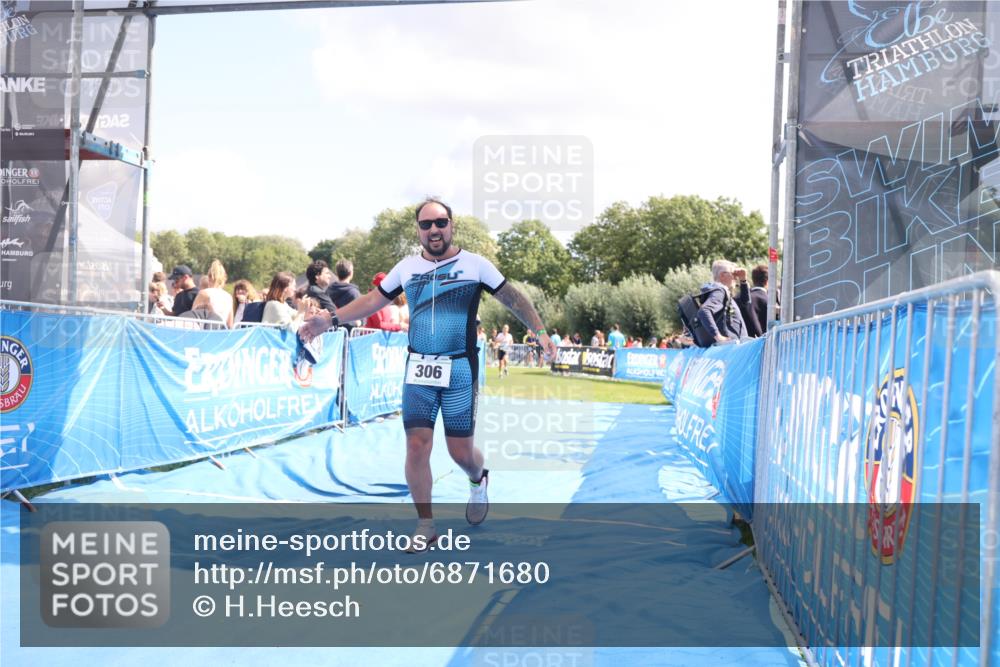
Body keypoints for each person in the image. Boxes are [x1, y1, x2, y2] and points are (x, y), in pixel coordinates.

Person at [299, 198, 555, 550]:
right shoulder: (407, 267)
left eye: (440, 222)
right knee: (417, 446)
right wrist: (329, 320)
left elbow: (513, 297)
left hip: (460, 369)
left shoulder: (475, 265)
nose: (434, 229)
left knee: (460, 453)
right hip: (419, 369)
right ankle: (426, 524)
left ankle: (478, 479)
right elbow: (374, 300)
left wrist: (540, 332)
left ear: (451, 225)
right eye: (426, 224)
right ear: (418, 230)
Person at [697, 259, 748, 344]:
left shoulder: (721, 292)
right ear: (722, 275)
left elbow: (744, 303)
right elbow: (704, 310)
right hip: (731, 347)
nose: (735, 278)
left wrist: (743, 281)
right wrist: (718, 336)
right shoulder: (720, 290)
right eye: (733, 274)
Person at [191, 259, 234, 328]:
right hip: (221, 332)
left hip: (205, 332)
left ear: (209, 277)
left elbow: (191, 316)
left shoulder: (204, 293)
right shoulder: (229, 297)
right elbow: (230, 324)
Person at [735, 263, 772, 338]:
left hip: (740, 343)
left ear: (753, 279)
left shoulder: (738, 297)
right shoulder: (769, 301)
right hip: (762, 344)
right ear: (767, 281)